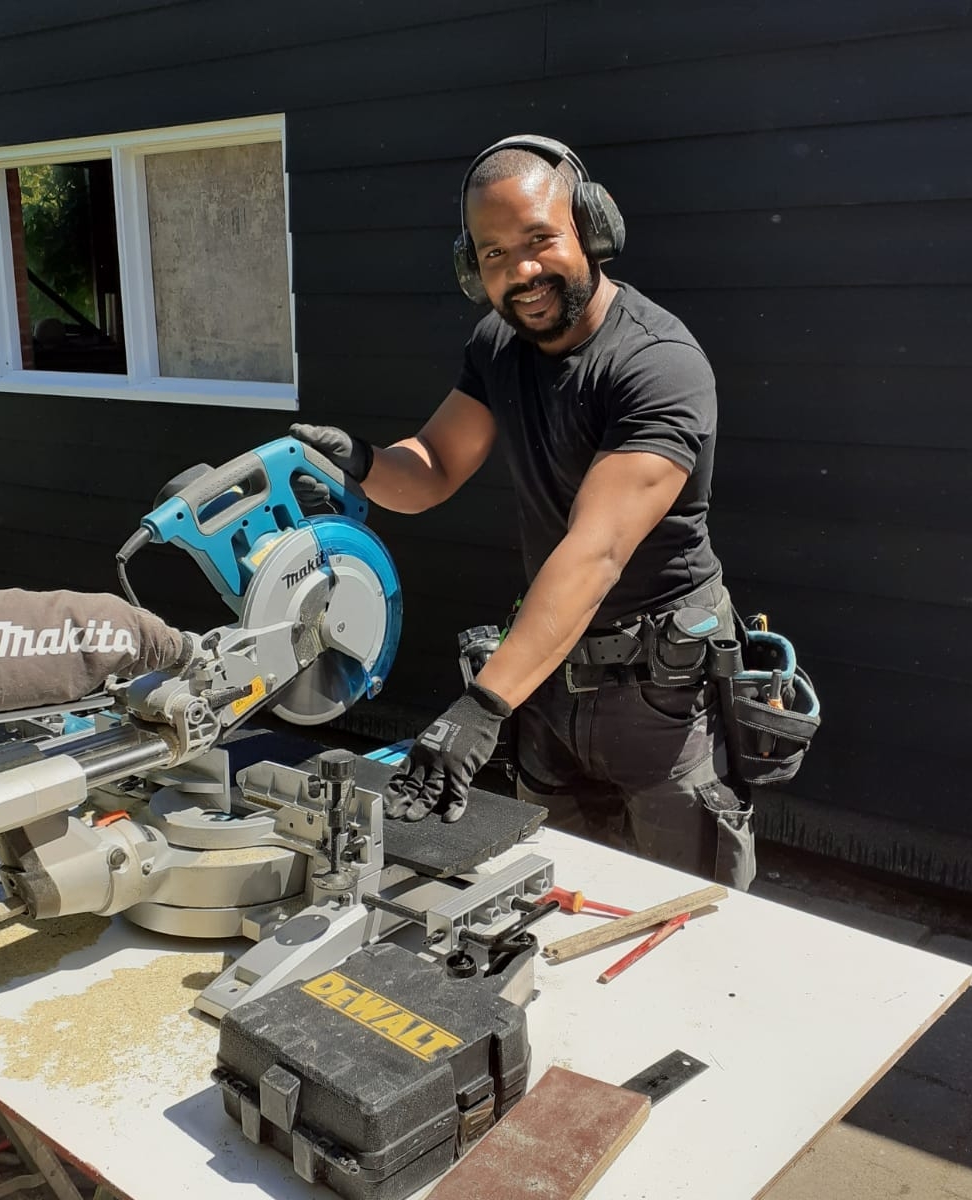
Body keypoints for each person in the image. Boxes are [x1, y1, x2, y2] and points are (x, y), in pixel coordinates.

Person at [292, 134, 754, 889]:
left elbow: (596, 552)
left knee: (683, 913)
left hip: (658, 696)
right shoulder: (499, 344)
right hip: (548, 680)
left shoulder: (658, 364)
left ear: (592, 228)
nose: (522, 272)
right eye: (494, 254)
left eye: (539, 240)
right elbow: (436, 466)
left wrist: (483, 705)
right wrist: (367, 464)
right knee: (551, 889)